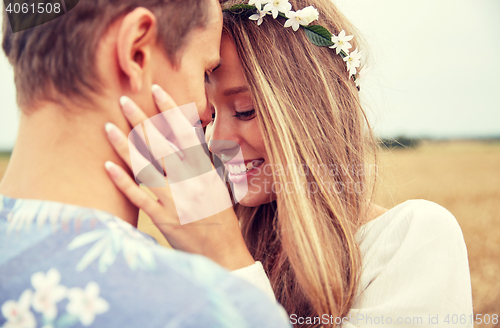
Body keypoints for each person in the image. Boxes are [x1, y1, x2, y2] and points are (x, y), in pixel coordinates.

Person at [103, 0, 473, 327]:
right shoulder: (230, 245)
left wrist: (227, 258)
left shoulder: (414, 237)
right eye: (210, 116)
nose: (215, 141)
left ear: (311, 112)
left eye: (245, 110)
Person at [0, 1, 291, 327]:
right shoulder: (210, 309)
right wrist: (234, 273)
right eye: (205, 72)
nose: (208, 114)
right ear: (136, 52)